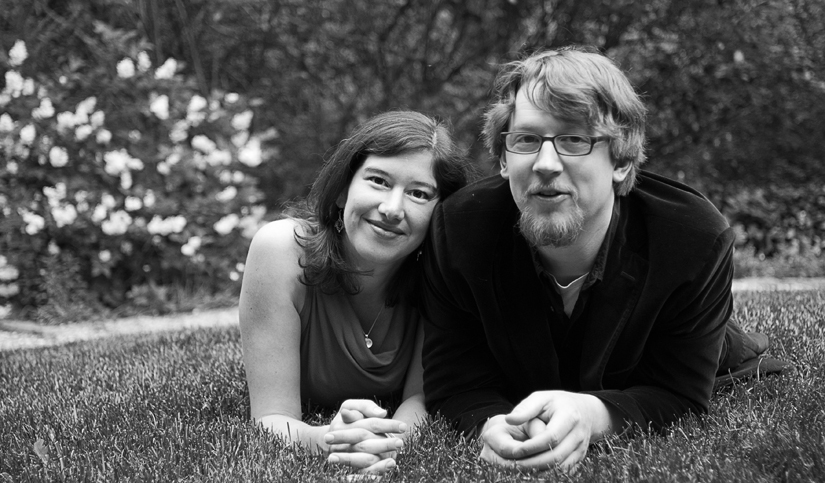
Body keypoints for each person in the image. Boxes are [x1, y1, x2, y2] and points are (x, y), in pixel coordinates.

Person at [419, 46, 790, 472]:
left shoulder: (691, 240)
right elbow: (455, 384)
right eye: (526, 139)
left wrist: (594, 417)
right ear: (503, 159)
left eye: (574, 139)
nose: (544, 164)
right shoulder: (458, 231)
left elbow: (680, 394)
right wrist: (491, 423)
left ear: (620, 159)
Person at [239, 110, 472, 474]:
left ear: (440, 212)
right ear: (343, 189)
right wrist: (331, 439)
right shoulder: (281, 251)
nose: (392, 208)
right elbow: (271, 418)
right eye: (378, 181)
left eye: (418, 193)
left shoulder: (442, 273)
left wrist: (386, 442)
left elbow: (418, 398)